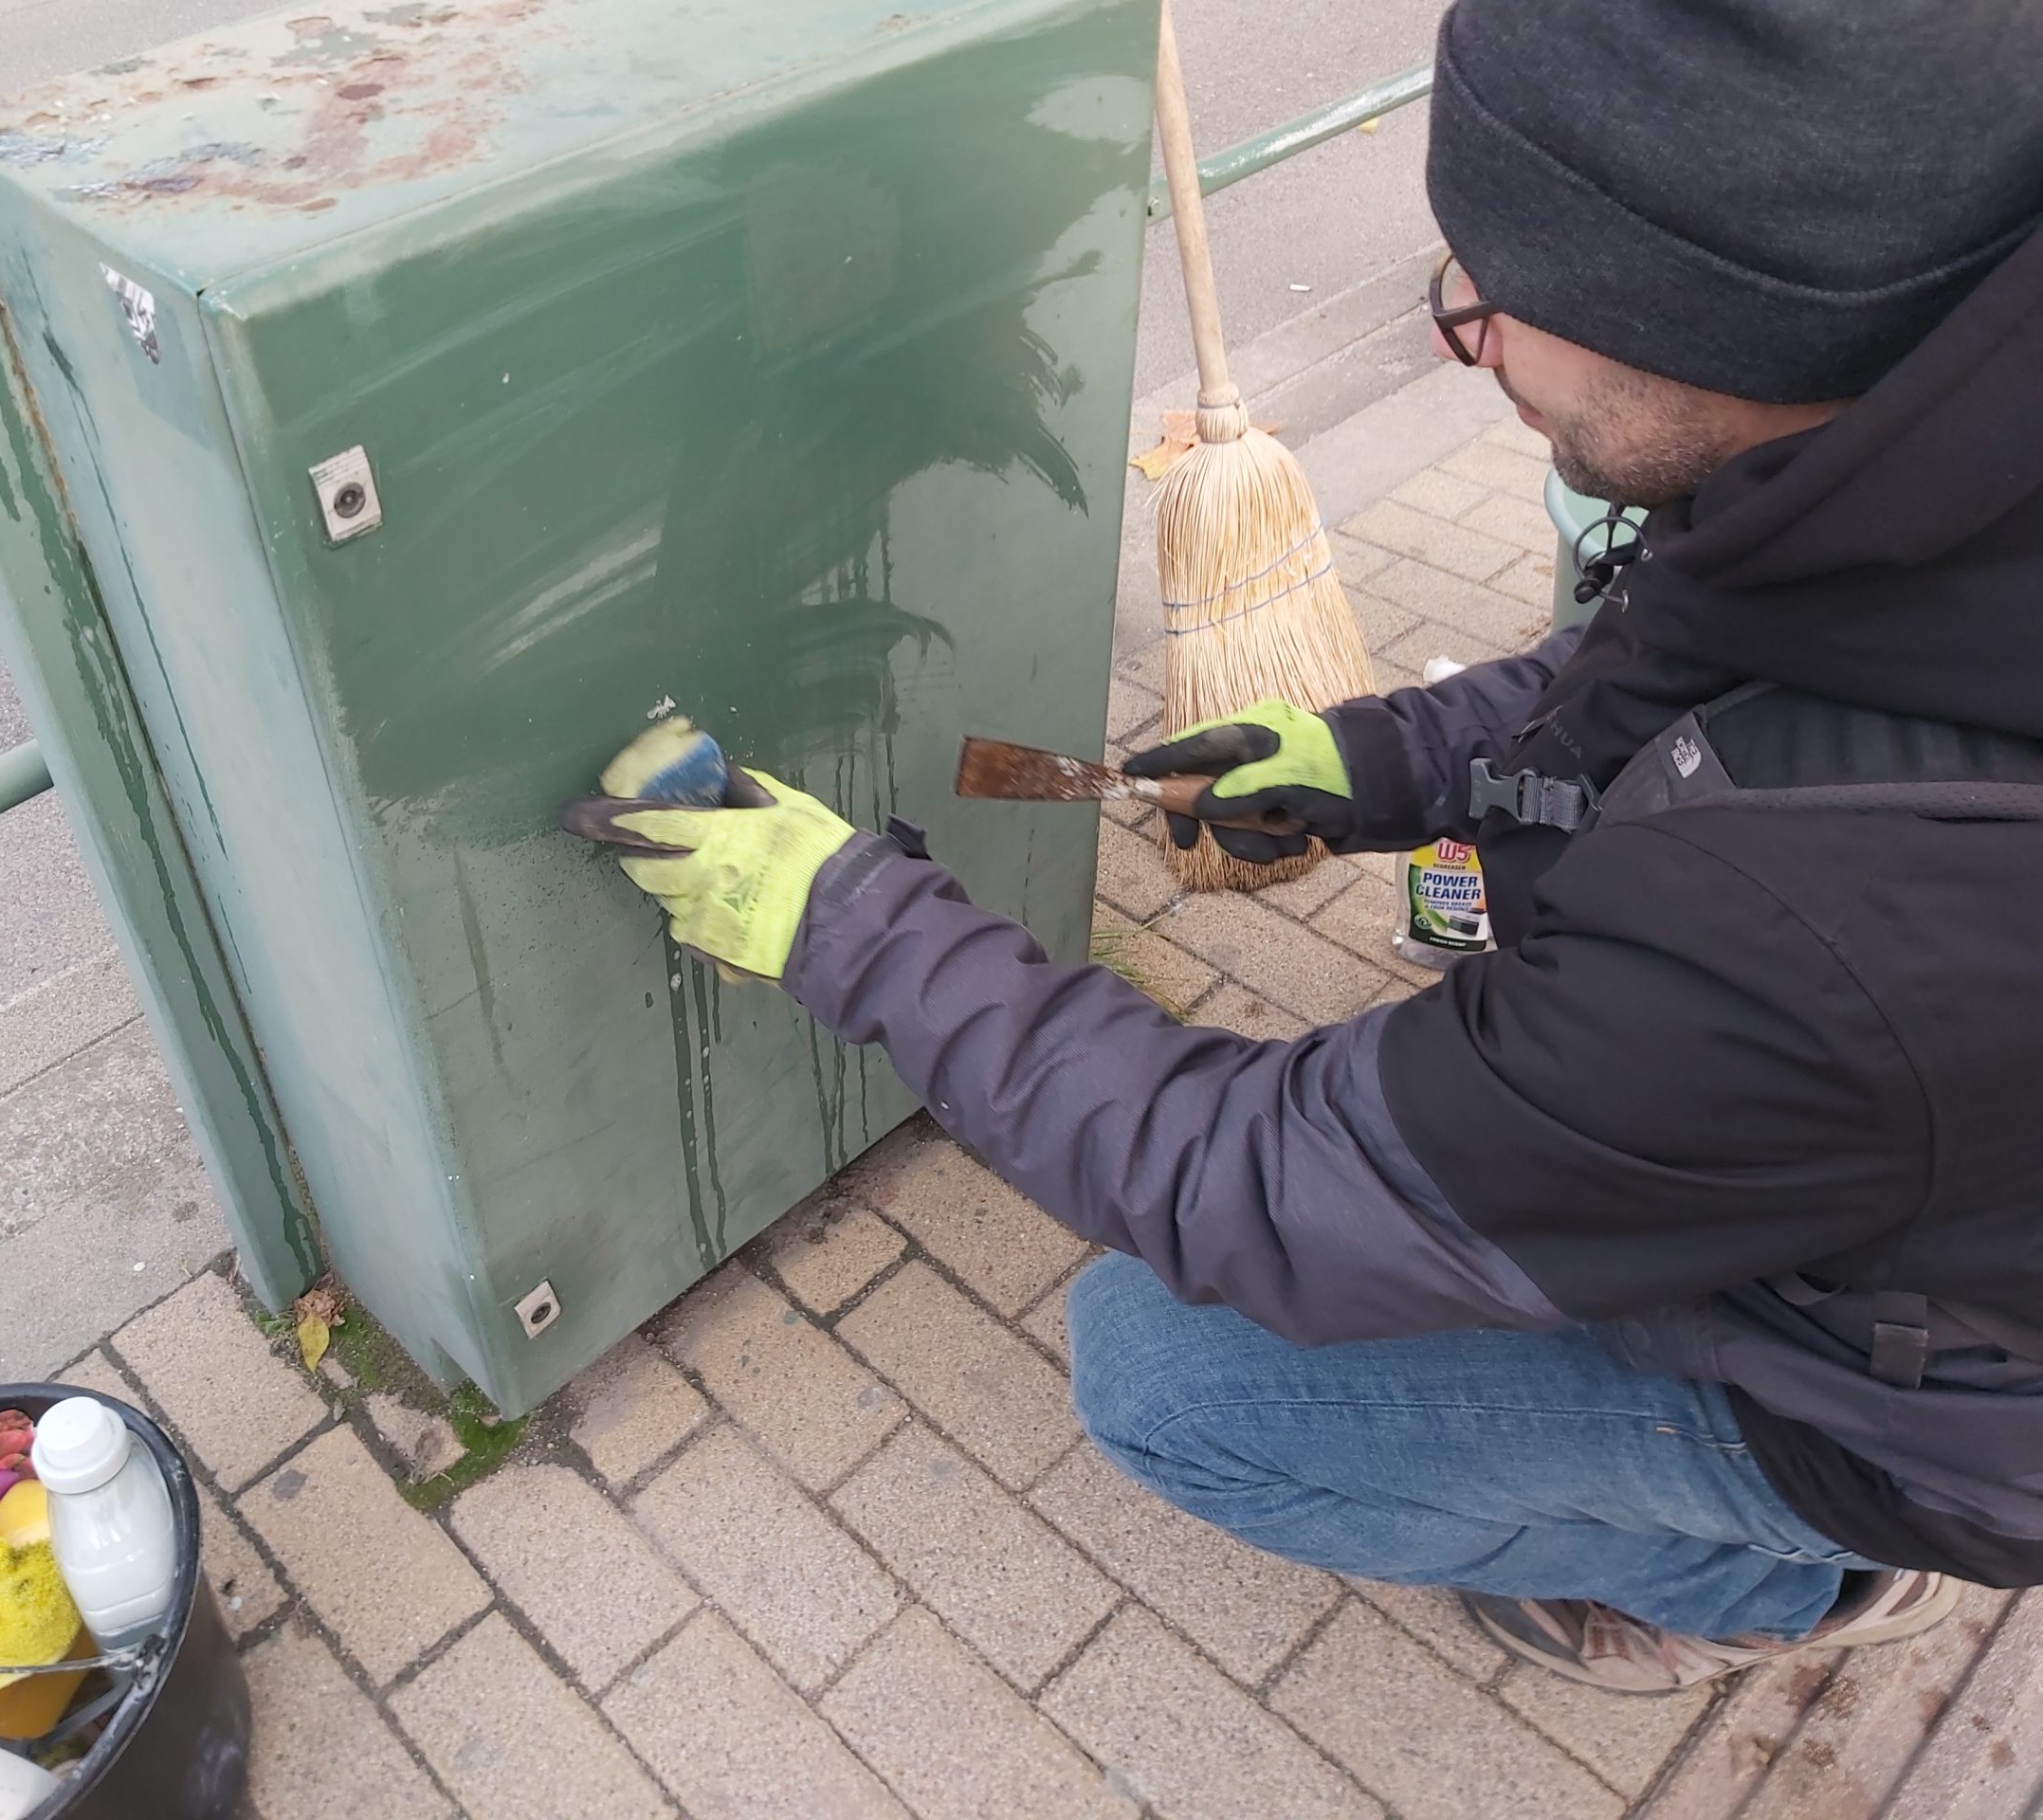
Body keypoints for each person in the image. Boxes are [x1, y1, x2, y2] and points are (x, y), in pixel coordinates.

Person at [570, 0, 2043, 1693]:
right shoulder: (1899, 473)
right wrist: (1373, 761)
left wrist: (853, 927)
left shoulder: (1839, 922)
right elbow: (1659, 675)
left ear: (1707, 324)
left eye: (1498, 299)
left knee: (1172, 1381)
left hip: (1930, 1404)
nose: (1464, 340)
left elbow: (1257, 1185)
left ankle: (1798, 1583)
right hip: (1889, 1190)